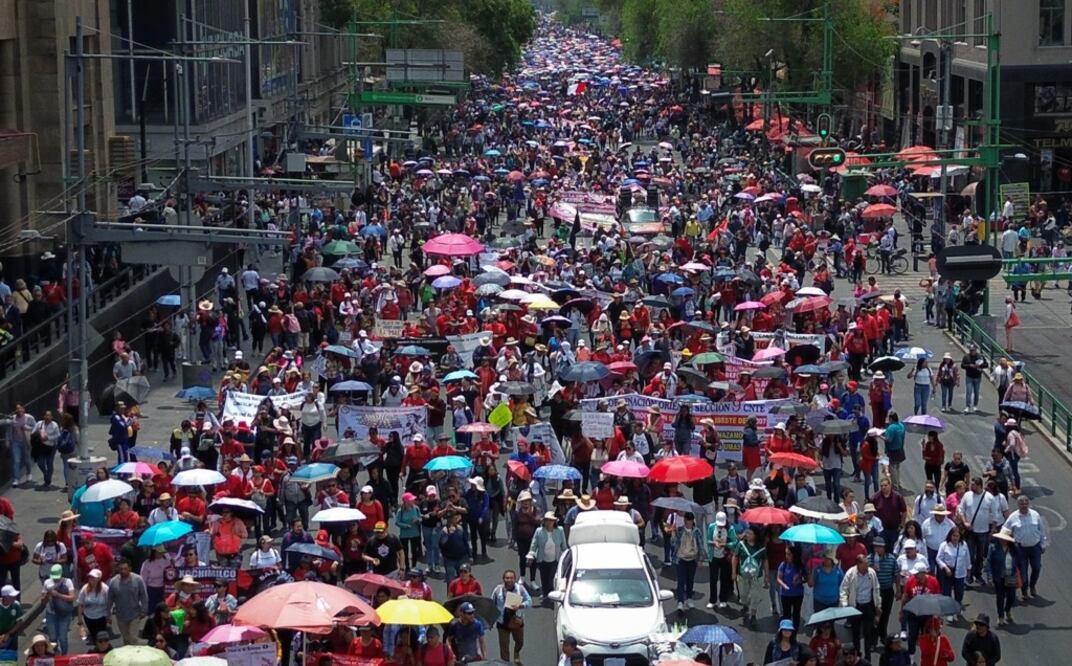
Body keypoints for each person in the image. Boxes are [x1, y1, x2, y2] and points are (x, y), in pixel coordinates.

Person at [956, 477, 1001, 585]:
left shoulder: (989, 498)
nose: (971, 487)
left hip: (983, 531)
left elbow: (995, 515)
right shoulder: (967, 495)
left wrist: (993, 530)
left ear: (979, 485)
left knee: (980, 555)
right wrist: (965, 522)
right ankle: (969, 576)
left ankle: (978, 574)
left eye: (973, 485)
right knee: (969, 555)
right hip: (970, 531)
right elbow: (960, 509)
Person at [1002, 494, 1047, 600]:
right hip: (1020, 549)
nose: (1024, 506)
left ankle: (1032, 586)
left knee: (1036, 568)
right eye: (1021, 504)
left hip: (1035, 548)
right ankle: (1024, 590)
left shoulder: (1035, 515)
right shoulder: (1013, 517)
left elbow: (1041, 530)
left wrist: (1043, 544)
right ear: (1018, 505)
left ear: (1028, 504)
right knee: (1023, 572)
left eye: (1026, 503)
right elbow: (1004, 531)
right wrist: (1006, 545)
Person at [839, 553, 881, 656]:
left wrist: (878, 606)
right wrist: (845, 605)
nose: (867, 566)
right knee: (855, 633)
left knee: (868, 633)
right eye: (865, 564)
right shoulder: (850, 573)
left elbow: (876, 589)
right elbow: (843, 589)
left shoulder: (871, 573)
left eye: (867, 564)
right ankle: (857, 655)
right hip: (855, 606)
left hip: (868, 606)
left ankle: (867, 658)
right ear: (858, 564)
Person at [491, 568, 531, 663]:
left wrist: (521, 605)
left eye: (511, 578)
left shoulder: (520, 589)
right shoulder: (497, 590)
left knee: (520, 642)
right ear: (503, 579)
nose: (509, 580)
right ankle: (506, 664)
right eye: (507, 578)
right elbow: (491, 603)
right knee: (504, 648)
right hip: (502, 623)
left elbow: (529, 601)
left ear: (515, 579)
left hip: (516, 621)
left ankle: (516, 652)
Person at [106, 558, 148, 647]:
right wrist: (108, 614)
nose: (123, 571)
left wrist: (144, 610)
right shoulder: (113, 582)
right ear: (118, 569)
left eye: (125, 569)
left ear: (130, 569)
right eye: (121, 569)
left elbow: (144, 596)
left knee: (133, 639)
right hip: (121, 616)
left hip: (135, 615)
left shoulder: (138, 579)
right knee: (126, 640)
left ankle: (139, 654)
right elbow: (109, 599)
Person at [731, 526, 766, 628]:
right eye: (747, 533)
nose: (747, 535)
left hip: (756, 576)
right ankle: (745, 605)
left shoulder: (761, 547)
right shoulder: (741, 545)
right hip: (743, 576)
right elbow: (735, 558)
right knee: (743, 595)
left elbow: (765, 561)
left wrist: (766, 575)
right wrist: (733, 572)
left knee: (755, 595)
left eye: (750, 534)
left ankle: (753, 615)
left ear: (755, 536)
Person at [526, 512, 566, 600]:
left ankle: (551, 595)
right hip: (543, 559)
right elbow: (534, 544)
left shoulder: (560, 530)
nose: (549, 523)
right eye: (547, 520)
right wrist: (531, 555)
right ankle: (545, 594)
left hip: (555, 559)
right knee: (544, 577)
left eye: (551, 521)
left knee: (551, 578)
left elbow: (564, 546)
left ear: (555, 522)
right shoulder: (539, 531)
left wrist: (566, 556)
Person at [41, 564, 76, 654]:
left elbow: (72, 597)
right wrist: (46, 595)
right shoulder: (47, 583)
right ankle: (55, 654)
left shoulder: (67, 582)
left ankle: (64, 655)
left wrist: (58, 595)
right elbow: (43, 602)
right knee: (52, 637)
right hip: (51, 613)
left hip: (64, 614)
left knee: (62, 637)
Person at [706, 510, 733, 610]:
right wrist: (714, 543)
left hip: (725, 557)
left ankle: (723, 599)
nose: (721, 526)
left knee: (724, 578)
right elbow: (708, 540)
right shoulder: (711, 527)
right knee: (713, 579)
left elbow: (734, 542)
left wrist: (724, 545)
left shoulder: (730, 529)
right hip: (714, 556)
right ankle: (712, 600)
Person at [776, 546, 806, 629]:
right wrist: (784, 585)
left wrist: (800, 580)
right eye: (786, 554)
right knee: (786, 614)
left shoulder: (800, 566)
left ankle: (795, 631)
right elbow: (779, 578)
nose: (787, 556)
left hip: (798, 594)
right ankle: (785, 630)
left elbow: (806, 578)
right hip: (786, 594)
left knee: (796, 613)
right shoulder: (783, 565)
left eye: (789, 554)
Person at [77, 569, 110, 645]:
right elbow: (80, 603)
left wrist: (109, 616)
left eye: (93, 577)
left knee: (101, 637)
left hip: (101, 617)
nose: (91, 579)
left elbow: (109, 604)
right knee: (94, 637)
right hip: (89, 617)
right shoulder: (85, 588)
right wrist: (79, 618)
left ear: (98, 579)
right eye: (90, 577)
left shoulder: (105, 589)